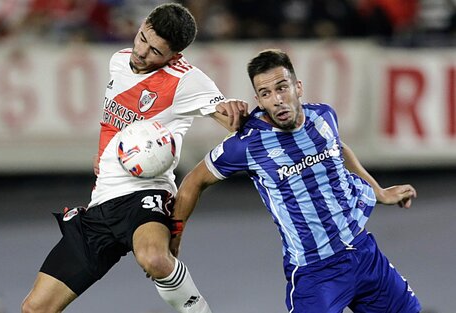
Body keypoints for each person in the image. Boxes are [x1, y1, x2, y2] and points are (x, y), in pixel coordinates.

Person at [21, 3, 247, 313]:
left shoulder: (186, 80)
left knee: (154, 259)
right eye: (142, 38)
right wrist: (104, 155)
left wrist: (236, 110)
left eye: (155, 51)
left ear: (174, 55)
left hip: (146, 193)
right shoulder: (119, 61)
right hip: (102, 201)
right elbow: (113, 121)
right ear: (142, 25)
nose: (141, 51)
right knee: (35, 308)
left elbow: (232, 120)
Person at [170, 49, 421, 313]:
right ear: (259, 100)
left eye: (282, 88)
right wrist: (175, 235)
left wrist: (378, 191)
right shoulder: (247, 144)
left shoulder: (323, 116)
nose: (277, 100)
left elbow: (338, 147)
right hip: (316, 272)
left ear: (298, 87)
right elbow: (193, 181)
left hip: (364, 253)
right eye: (266, 94)